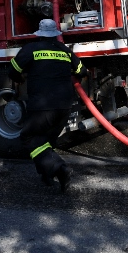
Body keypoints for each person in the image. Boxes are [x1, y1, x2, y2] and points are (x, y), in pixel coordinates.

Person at [9, 19, 88, 192]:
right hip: (65, 106)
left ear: (39, 34)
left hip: (42, 106)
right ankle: (47, 177)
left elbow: (13, 70)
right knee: (46, 143)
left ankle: (60, 168)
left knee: (28, 138)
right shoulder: (65, 51)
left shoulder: (30, 49)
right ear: (55, 34)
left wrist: (21, 78)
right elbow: (82, 71)